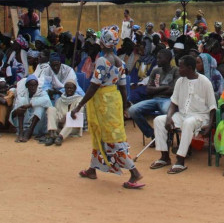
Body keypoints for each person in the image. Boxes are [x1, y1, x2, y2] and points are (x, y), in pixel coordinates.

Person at [71, 28, 144, 189]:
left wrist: (79, 105)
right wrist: (124, 106)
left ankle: (134, 172)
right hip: (114, 100)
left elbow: (93, 86)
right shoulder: (121, 62)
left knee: (112, 138)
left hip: (103, 103)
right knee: (101, 135)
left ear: (102, 43)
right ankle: (92, 169)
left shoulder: (102, 61)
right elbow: (123, 87)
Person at [150, 55, 216, 174]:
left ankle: (180, 160)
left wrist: (210, 125)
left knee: (188, 123)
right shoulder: (180, 81)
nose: (178, 70)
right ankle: (164, 157)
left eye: (181, 67)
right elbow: (173, 102)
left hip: (200, 117)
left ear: (190, 68)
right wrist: (169, 117)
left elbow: (212, 107)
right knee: (159, 120)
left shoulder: (205, 82)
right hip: (182, 115)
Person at [127, 49, 179, 139]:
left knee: (167, 113)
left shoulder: (176, 71)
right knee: (132, 110)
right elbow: (148, 90)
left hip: (169, 100)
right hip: (154, 99)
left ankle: (167, 136)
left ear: (167, 59)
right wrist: (164, 87)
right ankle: (152, 134)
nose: (157, 60)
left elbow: (174, 90)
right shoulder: (156, 71)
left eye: (159, 58)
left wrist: (156, 89)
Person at [10, 74, 51, 142]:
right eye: (30, 85)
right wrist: (18, 110)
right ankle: (21, 132)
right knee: (21, 102)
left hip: (37, 127)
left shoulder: (42, 93)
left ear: (37, 85)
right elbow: (13, 114)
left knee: (39, 107)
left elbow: (47, 101)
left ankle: (29, 131)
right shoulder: (22, 94)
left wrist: (29, 105)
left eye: (34, 85)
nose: (32, 87)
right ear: (26, 86)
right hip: (23, 125)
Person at [43, 80, 84, 146]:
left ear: (75, 89)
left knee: (72, 117)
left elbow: (78, 113)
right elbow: (57, 114)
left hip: (72, 127)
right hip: (60, 125)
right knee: (51, 109)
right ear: (64, 89)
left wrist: (65, 117)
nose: (69, 90)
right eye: (67, 88)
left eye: (71, 88)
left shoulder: (79, 99)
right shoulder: (60, 100)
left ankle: (60, 137)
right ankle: (52, 135)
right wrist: (60, 120)